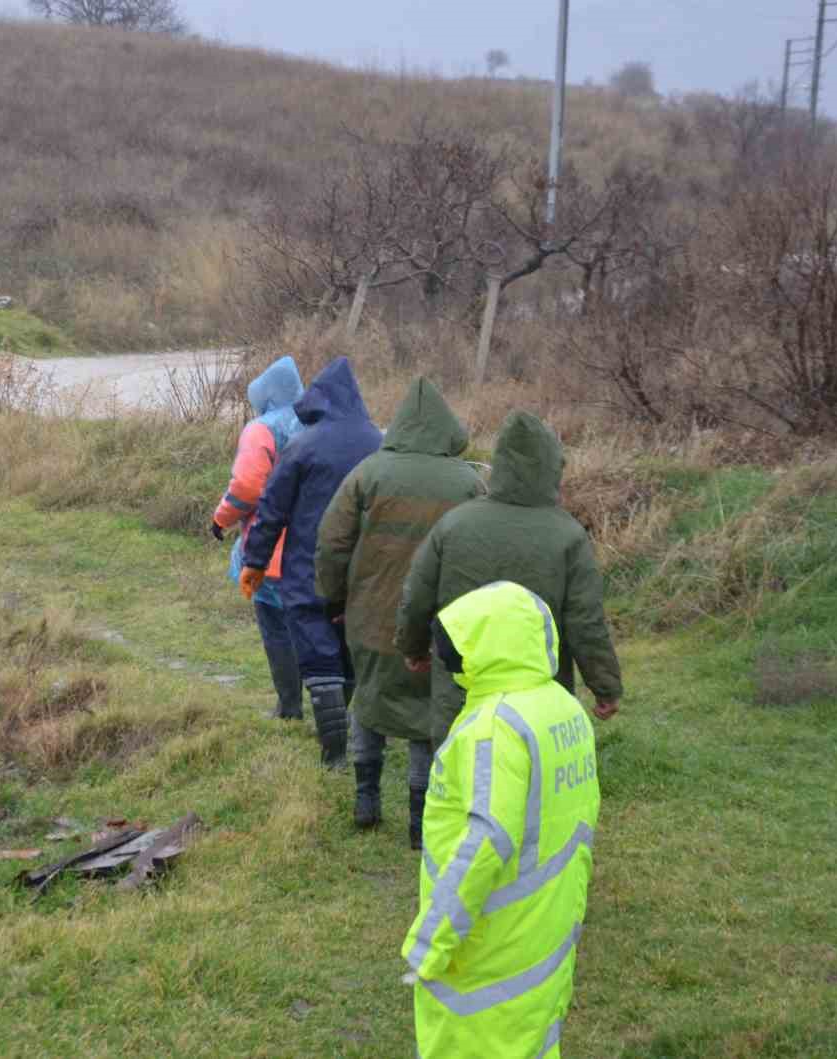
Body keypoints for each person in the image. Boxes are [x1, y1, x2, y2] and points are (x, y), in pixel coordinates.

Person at [400, 581, 600, 1059]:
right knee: (531, 1038)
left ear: (485, 646)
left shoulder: (494, 727)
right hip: (546, 924)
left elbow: (488, 840)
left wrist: (432, 940)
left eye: (455, 643)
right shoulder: (561, 707)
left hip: (489, 941)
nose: (447, 655)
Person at [314, 377, 484, 840]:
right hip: (440, 625)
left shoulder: (367, 473)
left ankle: (365, 798)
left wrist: (334, 598)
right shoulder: (468, 482)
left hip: (369, 617)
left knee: (369, 701)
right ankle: (419, 818)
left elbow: (331, 543)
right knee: (427, 715)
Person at [397, 410, 623, 751]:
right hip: (539, 708)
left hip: (463, 699)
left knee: (458, 774)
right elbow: (585, 623)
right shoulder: (569, 536)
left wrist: (412, 648)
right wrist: (605, 686)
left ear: (499, 466)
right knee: (532, 777)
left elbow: (417, 597)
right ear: (552, 468)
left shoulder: (453, 525)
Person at [241, 356, 382, 768]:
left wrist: (255, 562)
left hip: (308, 566)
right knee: (348, 651)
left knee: (319, 657)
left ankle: (333, 753)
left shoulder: (304, 445)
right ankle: (347, 737)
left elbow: (272, 510)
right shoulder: (379, 443)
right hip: (363, 571)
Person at [210, 355, 306, 720]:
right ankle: (332, 708)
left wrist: (221, 518)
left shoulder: (262, 428)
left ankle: (289, 706)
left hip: (271, 550)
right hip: (318, 546)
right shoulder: (317, 421)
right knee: (313, 626)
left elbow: (247, 487)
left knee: (276, 626)